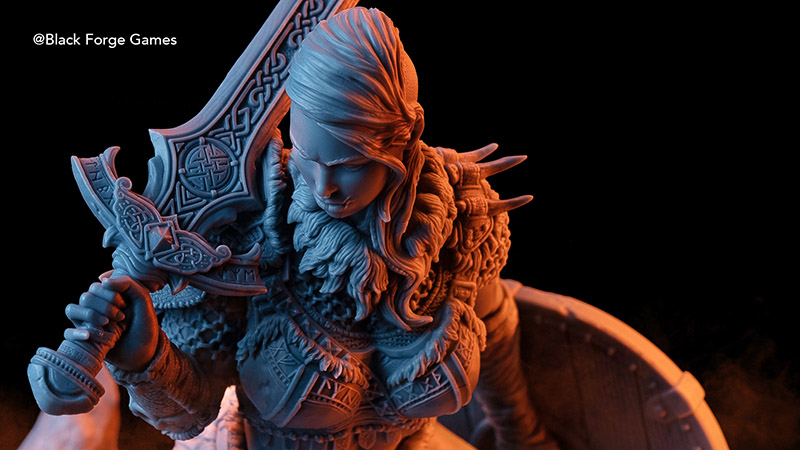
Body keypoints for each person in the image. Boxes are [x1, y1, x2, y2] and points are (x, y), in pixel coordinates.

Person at [64, 7, 559, 450]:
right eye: (307, 155)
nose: (325, 187)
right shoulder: (246, 239)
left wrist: (521, 433)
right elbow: (192, 412)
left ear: (406, 136)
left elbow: (494, 326)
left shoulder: (460, 223)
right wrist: (147, 359)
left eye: (350, 164)